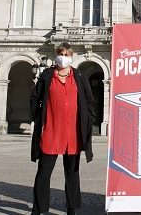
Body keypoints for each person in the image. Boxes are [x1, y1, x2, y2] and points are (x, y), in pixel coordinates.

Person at [29, 44, 95, 215]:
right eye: (60, 54)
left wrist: (89, 120)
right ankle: (38, 210)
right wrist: (37, 119)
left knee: (72, 174)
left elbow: (89, 101)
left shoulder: (79, 76)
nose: (63, 57)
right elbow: (35, 98)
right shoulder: (47, 75)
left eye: (66, 54)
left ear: (71, 56)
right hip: (51, 131)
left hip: (73, 134)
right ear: (56, 55)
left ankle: (71, 210)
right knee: (43, 173)